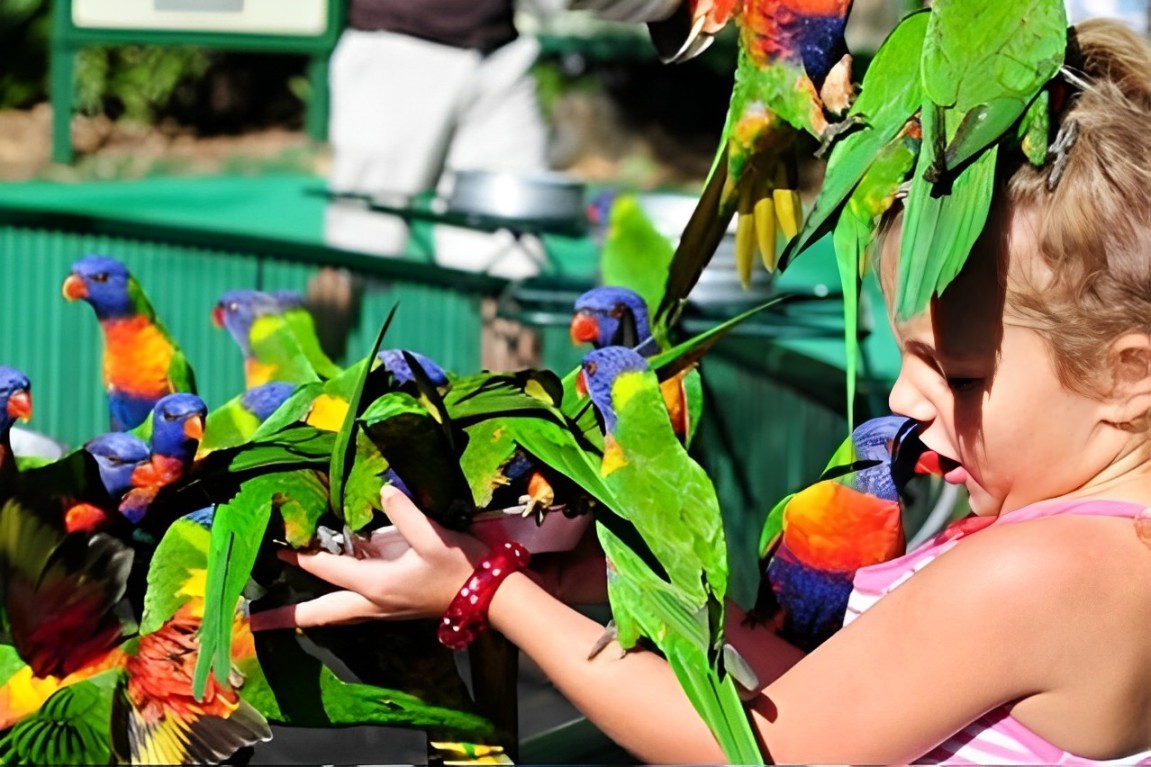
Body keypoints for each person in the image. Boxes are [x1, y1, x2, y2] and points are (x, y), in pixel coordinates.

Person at [253, 19, 1151, 764]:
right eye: (906, 355)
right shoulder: (1081, 542)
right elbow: (839, 700)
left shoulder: (1040, 571)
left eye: (958, 376)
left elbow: (761, 750)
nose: (904, 400)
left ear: (1129, 376)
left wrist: (490, 589)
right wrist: (634, 586)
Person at [322, 0, 550, 279]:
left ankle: (505, 312)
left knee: (510, 264)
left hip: (500, 55)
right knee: (355, 257)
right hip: (395, 50)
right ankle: (320, 323)